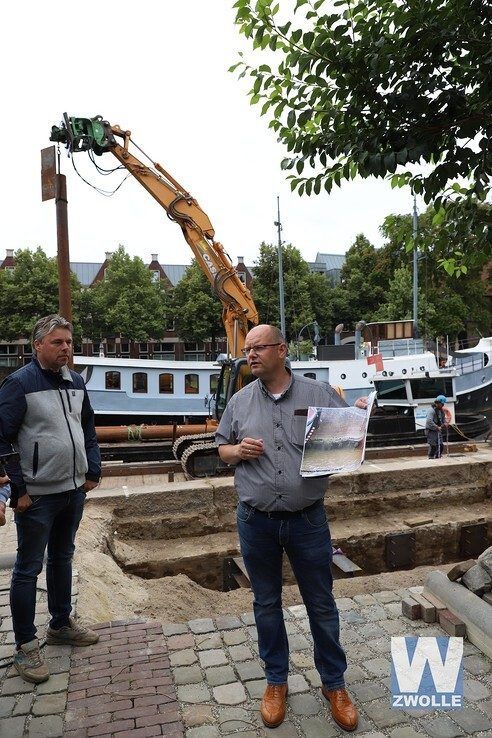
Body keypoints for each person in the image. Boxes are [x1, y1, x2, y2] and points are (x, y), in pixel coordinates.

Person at [216, 324, 368, 733]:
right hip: (256, 521)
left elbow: (346, 441)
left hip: (307, 520)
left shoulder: (318, 395)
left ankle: (334, 684)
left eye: (258, 348)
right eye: (246, 349)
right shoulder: (240, 401)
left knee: (321, 604)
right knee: (266, 604)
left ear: (281, 350)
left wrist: (355, 422)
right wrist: (237, 451)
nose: (249, 355)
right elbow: (221, 449)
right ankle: (276, 682)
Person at [0, 314, 102, 684]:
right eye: (58, 343)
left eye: (69, 343)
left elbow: (87, 426)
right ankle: (26, 646)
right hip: (38, 498)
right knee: (28, 569)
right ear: (38, 345)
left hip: (73, 491)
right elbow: (3, 439)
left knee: (62, 558)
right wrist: (20, 489)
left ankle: (60, 624)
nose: (66, 349)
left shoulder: (75, 381)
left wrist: (93, 470)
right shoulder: (18, 384)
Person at [425, 395, 447, 459]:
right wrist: (436, 426)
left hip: (438, 430)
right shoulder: (431, 410)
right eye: (442, 404)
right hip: (431, 430)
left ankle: (438, 456)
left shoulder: (441, 411)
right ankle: (431, 457)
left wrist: (445, 424)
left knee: (441, 445)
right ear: (438, 403)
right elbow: (429, 421)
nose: (443, 405)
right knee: (433, 445)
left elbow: (443, 419)